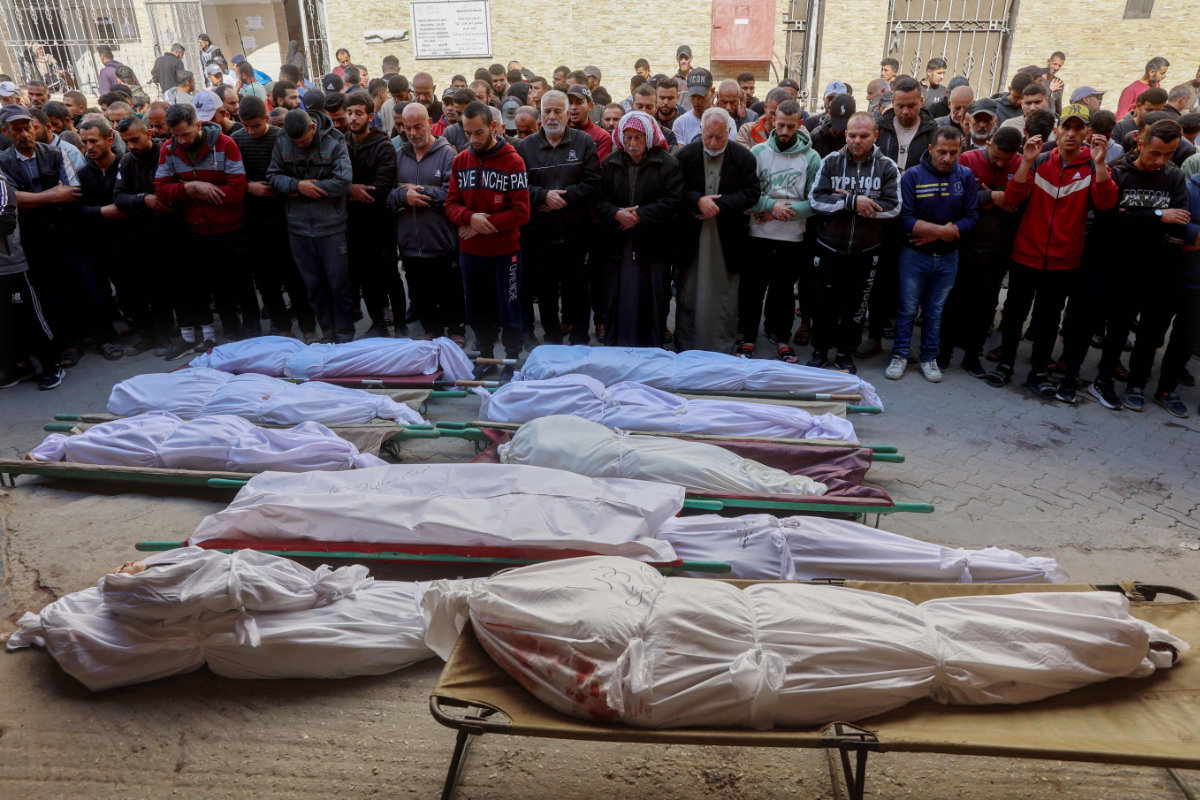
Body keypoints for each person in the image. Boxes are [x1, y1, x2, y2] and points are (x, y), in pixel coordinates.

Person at [984, 104, 1117, 395]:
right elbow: (1013, 197)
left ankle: (1039, 372)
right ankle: (1005, 365)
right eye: (1066, 127)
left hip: (1064, 261)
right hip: (1025, 254)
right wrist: (1026, 161)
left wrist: (1100, 164)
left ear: (1087, 133)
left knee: (1048, 320)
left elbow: (1106, 204)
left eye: (1078, 128)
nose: (1071, 134)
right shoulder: (1039, 159)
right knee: (1014, 315)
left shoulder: (1093, 165)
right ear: (1056, 131)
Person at [1077, 119, 1195, 414]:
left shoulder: (1173, 177)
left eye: (1168, 154)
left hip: (1152, 267)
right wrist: (1157, 215)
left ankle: (1122, 382)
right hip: (1111, 263)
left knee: (1131, 330)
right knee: (1095, 323)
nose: (1160, 161)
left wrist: (1137, 217)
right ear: (1141, 144)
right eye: (1155, 153)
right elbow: (1107, 217)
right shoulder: (1117, 171)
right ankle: (1084, 378)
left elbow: (1180, 220)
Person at [154, 102, 256, 356]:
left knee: (242, 283)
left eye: (186, 134)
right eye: (176, 135)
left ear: (198, 125)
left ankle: (253, 331)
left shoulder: (226, 145)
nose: (182, 140)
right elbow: (161, 190)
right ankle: (231, 330)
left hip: (232, 228)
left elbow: (236, 190)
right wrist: (192, 188)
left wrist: (188, 190)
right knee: (218, 285)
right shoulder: (169, 149)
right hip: (198, 231)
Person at [808, 112, 901, 373]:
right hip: (829, 247)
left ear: (875, 136)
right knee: (823, 304)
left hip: (866, 251)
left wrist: (853, 202)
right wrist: (851, 202)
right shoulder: (830, 161)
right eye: (852, 135)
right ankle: (819, 351)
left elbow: (894, 207)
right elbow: (815, 200)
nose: (857, 140)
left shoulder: (887, 167)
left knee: (856, 307)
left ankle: (845, 353)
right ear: (846, 135)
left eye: (863, 135)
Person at [885, 126, 978, 382]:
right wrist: (941, 231)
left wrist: (940, 234)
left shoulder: (966, 176)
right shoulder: (912, 176)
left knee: (935, 311)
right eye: (941, 152)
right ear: (930, 149)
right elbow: (904, 218)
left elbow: (972, 217)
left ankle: (928, 357)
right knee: (907, 309)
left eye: (953, 153)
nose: (947, 158)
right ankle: (900, 355)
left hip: (948, 258)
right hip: (914, 255)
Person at [445, 101, 530, 373]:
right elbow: (450, 204)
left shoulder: (513, 161)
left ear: (493, 127)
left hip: (505, 252)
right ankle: (485, 357)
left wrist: (482, 224)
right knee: (476, 308)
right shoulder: (460, 161)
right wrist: (470, 218)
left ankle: (512, 359)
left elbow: (521, 212)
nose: (472, 139)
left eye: (478, 132)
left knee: (510, 306)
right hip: (471, 252)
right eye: (467, 133)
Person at [516, 89, 601, 347]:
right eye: (547, 112)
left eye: (557, 111)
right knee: (546, 291)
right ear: (540, 114)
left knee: (578, 290)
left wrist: (562, 198)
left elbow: (594, 182)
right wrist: (543, 195)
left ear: (567, 113)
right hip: (540, 236)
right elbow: (519, 186)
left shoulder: (584, 142)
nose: (552, 117)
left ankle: (579, 339)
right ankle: (552, 339)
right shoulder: (526, 147)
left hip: (577, 233)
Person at [230, 96, 317, 343]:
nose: (251, 131)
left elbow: (298, 173)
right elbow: (231, 178)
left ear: (267, 119)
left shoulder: (282, 137)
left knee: (295, 278)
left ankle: (308, 328)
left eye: (256, 126)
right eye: (246, 126)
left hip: (285, 219)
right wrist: (249, 187)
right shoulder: (236, 140)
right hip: (252, 222)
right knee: (266, 281)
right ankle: (283, 329)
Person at [939, 126, 1023, 377]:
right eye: (996, 156)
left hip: (998, 250)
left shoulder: (1022, 164)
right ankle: (943, 353)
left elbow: (1019, 201)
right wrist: (992, 196)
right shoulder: (968, 160)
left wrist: (986, 197)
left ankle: (972, 356)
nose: (1000, 163)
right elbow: (957, 197)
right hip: (964, 245)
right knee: (953, 302)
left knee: (985, 307)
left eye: (1006, 160)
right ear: (988, 144)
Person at [739, 99, 819, 363]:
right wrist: (770, 205)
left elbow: (816, 202)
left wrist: (784, 211)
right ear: (772, 120)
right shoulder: (758, 152)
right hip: (757, 235)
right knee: (751, 291)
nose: (784, 131)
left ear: (800, 124)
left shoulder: (811, 158)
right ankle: (747, 339)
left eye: (790, 126)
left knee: (783, 292)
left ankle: (783, 340)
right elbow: (747, 194)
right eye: (780, 125)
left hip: (792, 238)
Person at [674, 107, 759, 354]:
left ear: (729, 132)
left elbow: (752, 193)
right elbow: (674, 191)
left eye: (719, 137)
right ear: (701, 130)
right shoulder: (685, 156)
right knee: (689, 293)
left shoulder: (743, 157)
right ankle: (687, 346)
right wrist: (698, 201)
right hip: (692, 237)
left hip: (727, 238)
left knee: (724, 296)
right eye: (708, 136)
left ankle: (721, 348)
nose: (712, 142)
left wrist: (721, 205)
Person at [594, 111, 682, 347]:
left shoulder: (668, 164)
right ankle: (618, 345)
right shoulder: (610, 163)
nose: (632, 143)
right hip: (618, 242)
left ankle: (651, 347)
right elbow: (598, 199)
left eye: (638, 138)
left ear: (649, 137)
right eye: (628, 137)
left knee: (653, 295)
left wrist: (639, 215)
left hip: (653, 243)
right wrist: (616, 213)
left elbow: (673, 201)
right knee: (618, 294)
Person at [267, 108, 354, 343]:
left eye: (303, 140)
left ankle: (344, 337)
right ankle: (328, 335)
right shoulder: (282, 139)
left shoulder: (335, 140)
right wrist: (298, 186)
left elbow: (344, 181)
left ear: (313, 127)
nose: (300, 145)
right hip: (298, 227)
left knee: (339, 286)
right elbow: (273, 176)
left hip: (332, 226)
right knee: (313, 287)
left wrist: (312, 189)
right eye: (296, 142)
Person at [388, 102, 464, 343]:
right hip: (409, 242)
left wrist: (419, 193)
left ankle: (456, 329)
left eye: (418, 126)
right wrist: (403, 196)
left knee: (450, 289)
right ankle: (431, 329)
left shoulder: (447, 154)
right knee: (419, 291)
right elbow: (387, 193)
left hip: (441, 240)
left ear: (430, 123)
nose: (412, 133)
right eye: (407, 127)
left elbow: (453, 193)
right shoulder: (398, 156)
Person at [111, 115, 178, 357]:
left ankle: (165, 334)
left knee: (162, 290)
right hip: (139, 235)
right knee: (139, 289)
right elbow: (119, 197)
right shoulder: (127, 162)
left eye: (135, 140)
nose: (131, 146)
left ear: (148, 134)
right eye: (126, 141)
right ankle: (148, 336)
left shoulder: (167, 154)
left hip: (169, 232)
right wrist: (143, 199)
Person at [0, 169, 64, 389]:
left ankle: (52, 364)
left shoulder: (0, 182)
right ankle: (20, 366)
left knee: (31, 317)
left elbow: (6, 220)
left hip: (11, 266)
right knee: (6, 323)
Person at [343, 92, 401, 338]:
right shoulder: (341, 143)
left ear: (370, 116)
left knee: (389, 273)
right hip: (352, 222)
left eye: (358, 113)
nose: (353, 118)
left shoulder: (383, 146)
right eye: (349, 113)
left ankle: (400, 324)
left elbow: (381, 187)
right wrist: (349, 190)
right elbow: (334, 182)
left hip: (381, 221)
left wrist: (352, 192)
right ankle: (378, 323)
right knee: (365, 275)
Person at [75, 115, 127, 361]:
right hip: (96, 243)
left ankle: (145, 327)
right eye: (85, 142)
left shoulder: (125, 166)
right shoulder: (83, 175)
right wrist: (101, 211)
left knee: (131, 287)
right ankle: (107, 338)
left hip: (127, 240)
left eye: (94, 141)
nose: (89, 147)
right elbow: (76, 210)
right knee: (100, 291)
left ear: (109, 138)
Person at [565, 85, 612, 161]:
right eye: (570, 103)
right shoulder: (557, 133)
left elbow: (597, 166)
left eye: (579, 103)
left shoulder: (601, 137)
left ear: (590, 106)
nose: (573, 107)